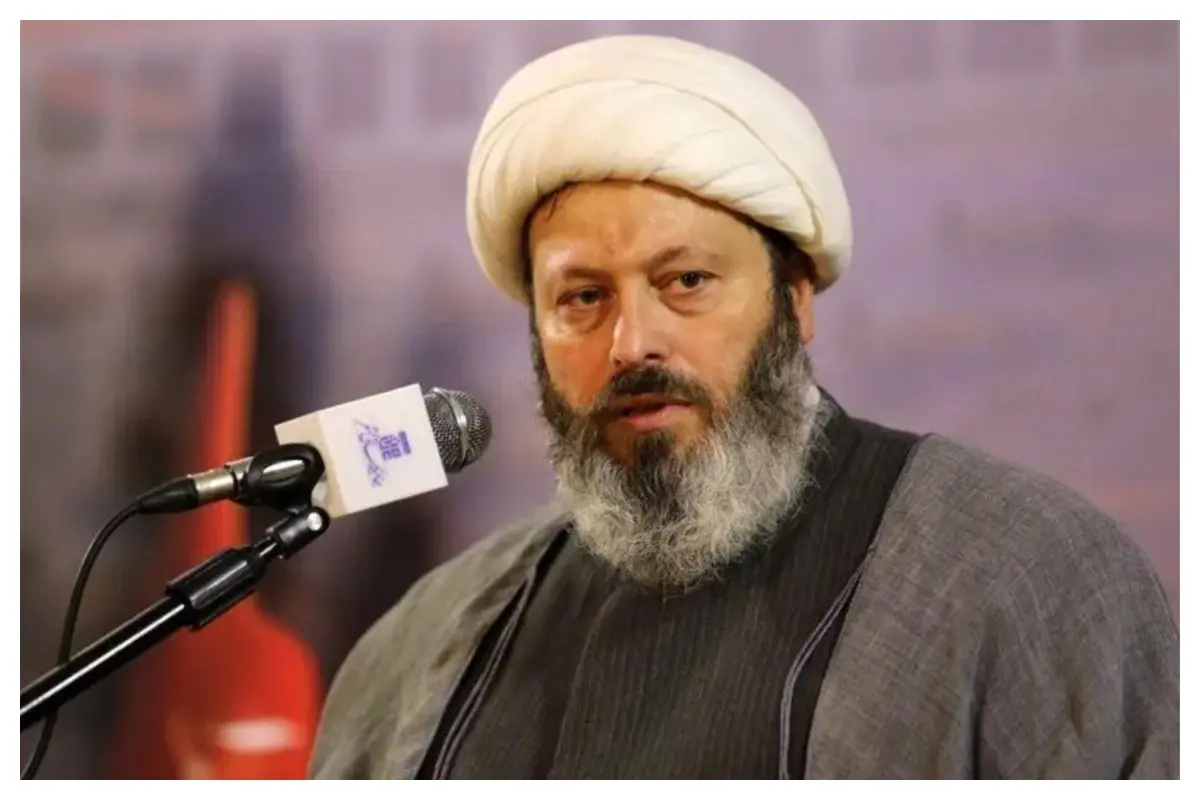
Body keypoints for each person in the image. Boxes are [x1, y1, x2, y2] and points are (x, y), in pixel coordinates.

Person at [308, 35, 1179, 780]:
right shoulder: (413, 654)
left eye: (686, 281)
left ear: (794, 298)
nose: (631, 343)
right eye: (583, 298)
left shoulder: (1022, 573)